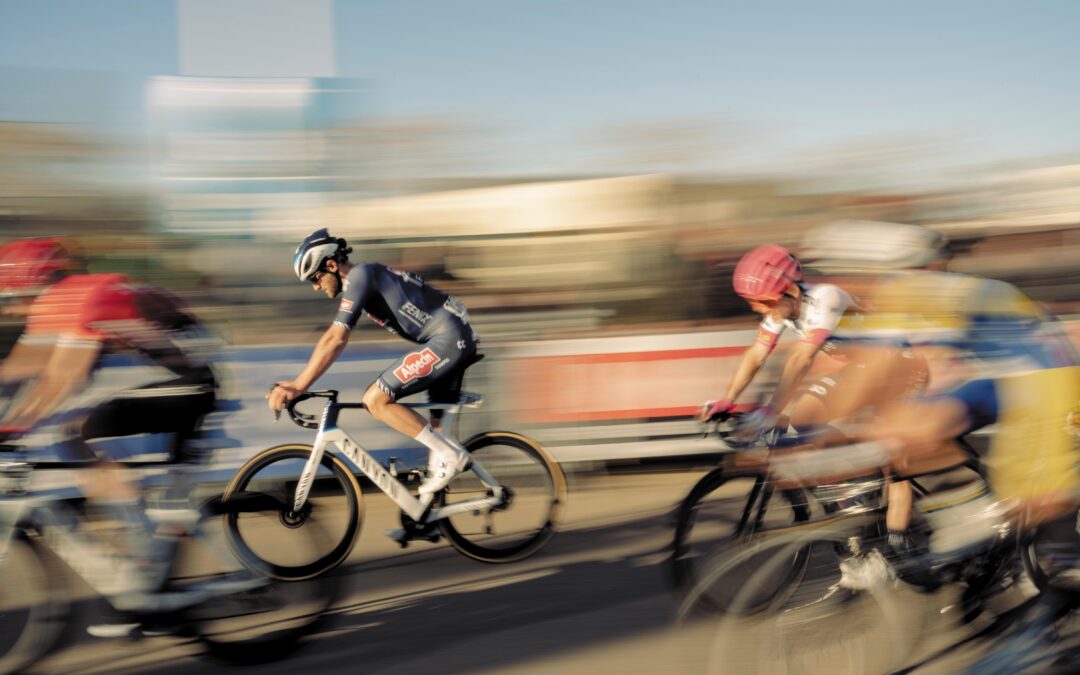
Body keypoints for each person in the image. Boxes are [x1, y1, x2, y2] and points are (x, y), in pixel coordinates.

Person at [0, 237, 219, 632]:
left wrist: (13, 428)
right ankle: (147, 562)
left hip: (194, 378)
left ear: (33, 285)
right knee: (72, 435)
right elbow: (15, 375)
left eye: (11, 297)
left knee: (82, 429)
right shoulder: (53, 306)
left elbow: (65, 378)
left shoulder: (80, 300)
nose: (10, 308)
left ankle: (140, 558)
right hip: (176, 371)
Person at [266, 228, 479, 496]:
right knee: (437, 443)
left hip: (447, 341)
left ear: (332, 265)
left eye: (316, 278)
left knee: (375, 400)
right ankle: (429, 516)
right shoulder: (365, 276)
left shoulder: (360, 276)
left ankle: (453, 458)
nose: (316, 286)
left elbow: (335, 339)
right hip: (453, 338)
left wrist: (299, 384)